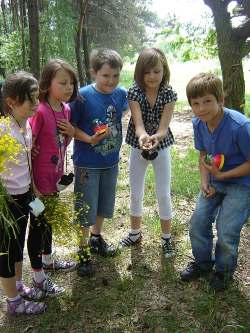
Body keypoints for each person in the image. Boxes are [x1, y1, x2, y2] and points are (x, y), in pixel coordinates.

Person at [180, 72, 250, 291]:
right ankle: (202, 264)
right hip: (215, 179)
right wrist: (205, 180)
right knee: (199, 221)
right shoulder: (199, 124)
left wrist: (222, 176)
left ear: (220, 100)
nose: (201, 108)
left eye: (207, 101)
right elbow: (203, 154)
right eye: (195, 103)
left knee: (226, 228)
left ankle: (223, 271)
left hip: (242, 183)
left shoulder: (240, 126)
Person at [70, 48, 128, 276]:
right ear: (94, 72)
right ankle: (82, 250)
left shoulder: (120, 93)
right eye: (105, 76)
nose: (111, 81)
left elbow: (119, 114)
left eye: (115, 76)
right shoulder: (82, 96)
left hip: (110, 161)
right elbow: (70, 127)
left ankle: (96, 237)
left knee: (104, 203)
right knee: (86, 206)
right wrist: (90, 138)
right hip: (87, 163)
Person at [119, 48, 177, 258]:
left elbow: (163, 128)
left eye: (156, 71)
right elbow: (138, 125)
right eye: (147, 72)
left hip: (161, 146)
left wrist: (156, 138)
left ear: (164, 70)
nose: (152, 76)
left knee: (163, 193)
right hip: (138, 145)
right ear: (139, 73)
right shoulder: (134, 92)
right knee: (136, 191)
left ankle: (166, 239)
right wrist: (144, 138)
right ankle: (135, 233)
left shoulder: (169, 94)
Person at [28, 59, 78, 294]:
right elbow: (27, 143)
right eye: (63, 83)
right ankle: (38, 276)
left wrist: (70, 133)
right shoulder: (39, 111)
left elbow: (61, 142)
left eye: (71, 83)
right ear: (47, 84)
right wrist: (32, 149)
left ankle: (48, 260)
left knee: (49, 223)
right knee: (38, 226)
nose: (69, 87)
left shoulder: (65, 109)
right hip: (37, 185)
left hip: (54, 181)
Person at [0, 72, 46, 315]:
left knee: (19, 243)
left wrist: (35, 190)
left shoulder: (26, 124)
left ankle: (18, 286)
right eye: (31, 100)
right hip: (7, 201)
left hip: (26, 194)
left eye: (37, 98)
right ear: (11, 102)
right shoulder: (3, 129)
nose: (37, 104)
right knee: (6, 250)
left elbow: (26, 159)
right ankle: (13, 302)